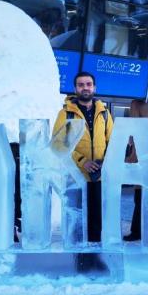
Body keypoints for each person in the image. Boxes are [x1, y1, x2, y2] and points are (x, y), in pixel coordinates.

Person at [53, 71, 113, 243]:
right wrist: (82, 162)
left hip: (99, 177)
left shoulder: (104, 113)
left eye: (88, 84)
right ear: (75, 88)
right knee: (78, 220)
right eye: (81, 85)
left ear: (94, 87)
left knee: (97, 220)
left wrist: (104, 162)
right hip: (77, 177)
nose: (85, 88)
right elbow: (58, 144)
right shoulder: (65, 114)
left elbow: (113, 140)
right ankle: (79, 259)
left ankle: (96, 257)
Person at [123, 100, 148, 241]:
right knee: (146, 203)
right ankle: (146, 231)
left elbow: (133, 157)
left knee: (139, 202)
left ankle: (136, 232)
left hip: (141, 174)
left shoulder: (137, 129)